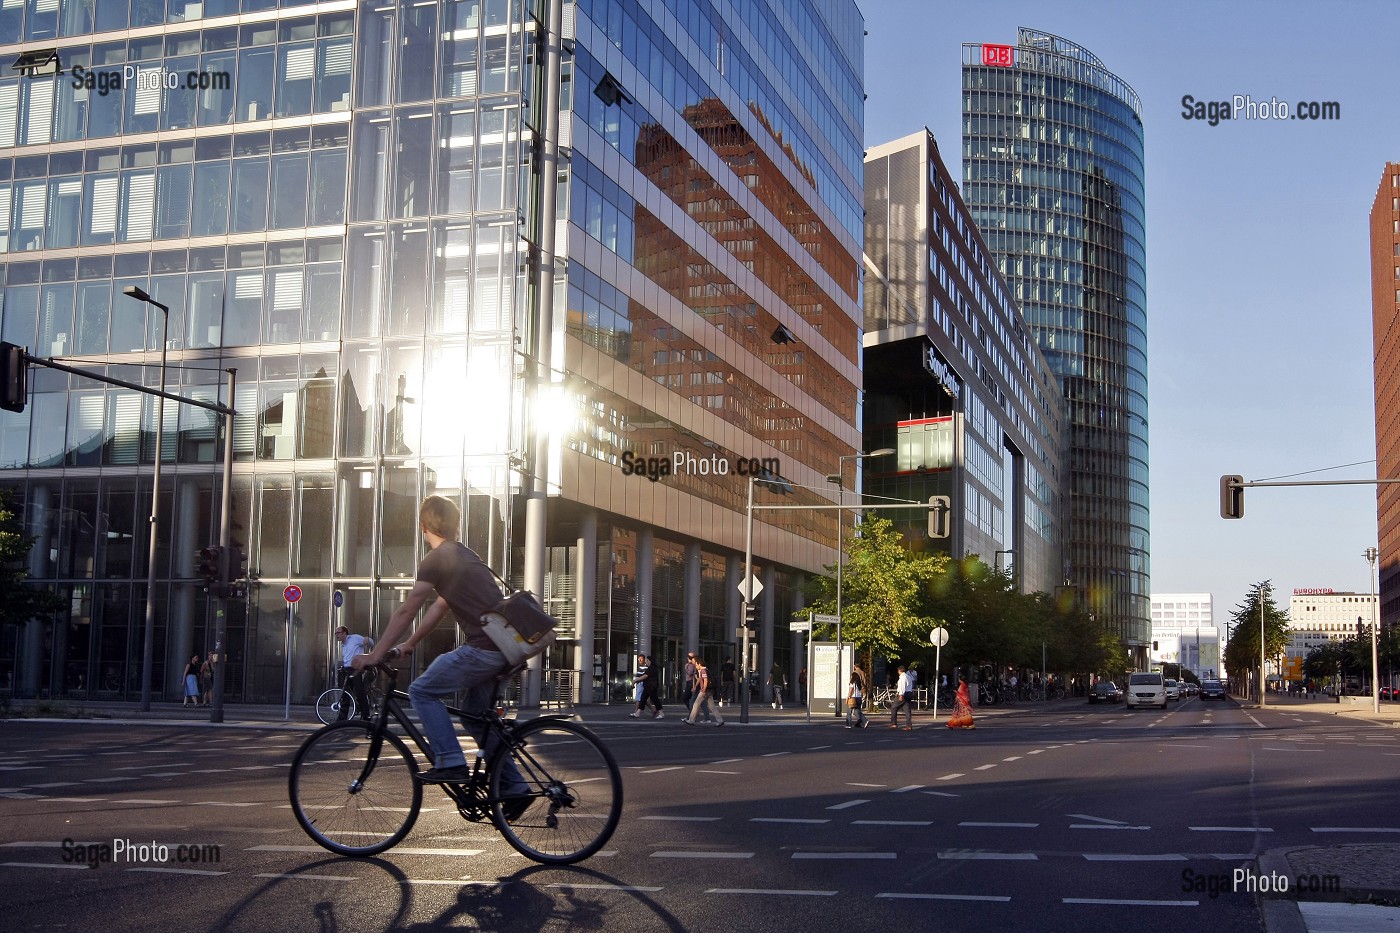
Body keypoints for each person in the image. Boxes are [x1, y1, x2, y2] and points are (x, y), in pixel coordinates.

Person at [352, 496, 528, 812]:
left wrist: (374, 655)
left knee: (421, 691)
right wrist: (410, 644)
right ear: (455, 523)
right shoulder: (464, 555)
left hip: (484, 650)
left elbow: (407, 610)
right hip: (506, 650)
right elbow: (439, 606)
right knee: (477, 719)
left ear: (423, 527)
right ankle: (515, 787)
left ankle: (450, 761)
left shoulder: (437, 558)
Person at [335, 625, 376, 721]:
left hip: (356, 669)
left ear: (344, 633)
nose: (336, 635)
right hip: (347, 670)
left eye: (338, 633)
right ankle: (342, 719)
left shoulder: (354, 638)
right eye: (335, 634)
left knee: (360, 693)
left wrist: (367, 640)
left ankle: (366, 716)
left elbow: (371, 642)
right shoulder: (343, 644)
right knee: (345, 694)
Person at [683, 655, 723, 726]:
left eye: (696, 664)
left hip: (705, 690)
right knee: (712, 706)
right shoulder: (704, 670)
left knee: (696, 704)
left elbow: (705, 680)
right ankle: (720, 720)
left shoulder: (703, 670)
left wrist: (703, 690)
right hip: (709, 691)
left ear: (699, 663)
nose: (695, 665)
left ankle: (691, 720)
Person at [630, 654, 664, 719]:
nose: (646, 662)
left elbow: (645, 676)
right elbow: (644, 676)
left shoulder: (651, 668)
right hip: (648, 686)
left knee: (655, 700)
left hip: (651, 687)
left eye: (647, 660)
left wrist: (635, 681)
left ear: (650, 661)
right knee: (643, 699)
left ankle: (661, 713)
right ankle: (638, 713)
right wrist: (635, 681)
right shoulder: (650, 668)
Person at [889, 664, 914, 730]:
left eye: (898, 671)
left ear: (899, 670)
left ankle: (894, 723)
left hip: (903, 694)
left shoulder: (902, 678)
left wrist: (901, 695)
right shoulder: (908, 677)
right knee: (907, 710)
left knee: (894, 708)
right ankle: (909, 725)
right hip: (909, 693)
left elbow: (902, 687)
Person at [846, 664, 869, 729]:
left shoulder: (852, 682)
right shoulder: (859, 683)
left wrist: (848, 697)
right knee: (857, 711)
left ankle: (848, 724)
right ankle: (864, 721)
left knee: (849, 712)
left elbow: (851, 690)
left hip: (853, 698)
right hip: (859, 697)